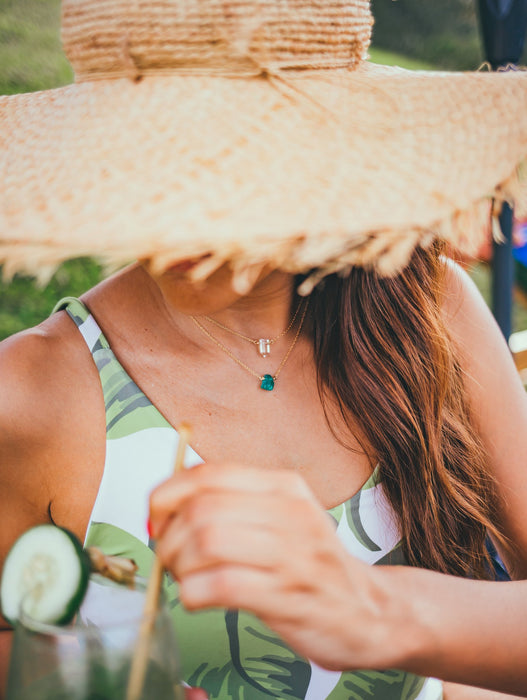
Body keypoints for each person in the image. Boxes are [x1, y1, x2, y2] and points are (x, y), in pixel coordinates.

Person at [1, 1, 527, 698]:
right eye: (140, 158)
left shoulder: (429, 308)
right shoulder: (29, 392)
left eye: (228, 163)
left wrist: (375, 610)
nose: (176, 214)